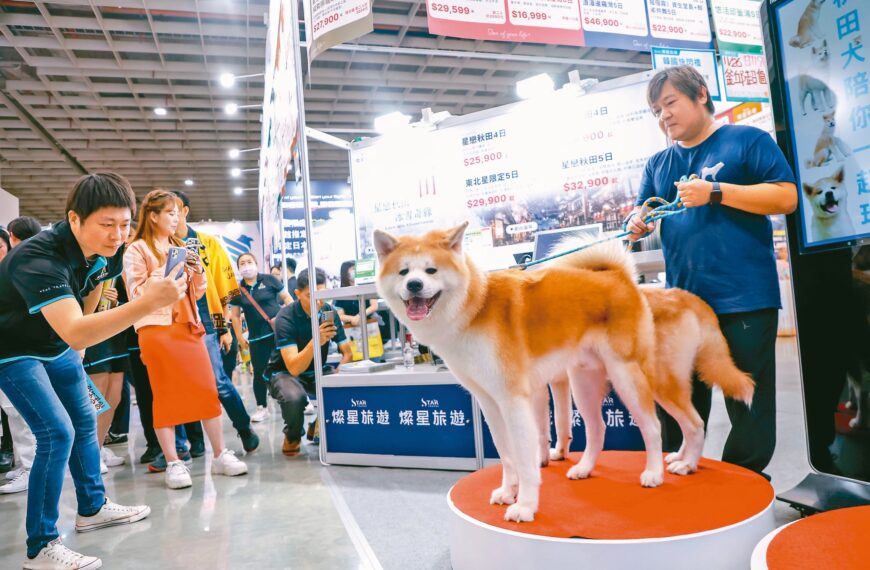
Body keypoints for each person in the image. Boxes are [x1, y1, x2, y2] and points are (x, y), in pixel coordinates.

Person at [0, 173, 184, 569]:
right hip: (12, 350)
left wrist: (82, 327)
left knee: (86, 417)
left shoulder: (110, 248)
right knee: (56, 431)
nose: (117, 234)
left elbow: (95, 286)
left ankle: (92, 507)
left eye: (123, 224)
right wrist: (146, 303)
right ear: (74, 219)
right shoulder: (38, 259)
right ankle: (41, 546)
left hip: (56, 344)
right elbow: (76, 331)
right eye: (106, 224)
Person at [627, 66, 798, 475]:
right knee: (676, 395)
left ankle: (744, 483)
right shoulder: (659, 163)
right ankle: (678, 475)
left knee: (747, 400)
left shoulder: (747, 141)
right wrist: (638, 219)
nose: (664, 116)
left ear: (701, 94)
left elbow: (787, 196)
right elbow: (644, 204)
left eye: (670, 103)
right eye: (655, 110)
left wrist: (716, 192)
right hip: (681, 304)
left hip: (745, 297)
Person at [124, 189, 248, 490]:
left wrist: (196, 274)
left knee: (206, 389)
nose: (176, 217)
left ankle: (220, 454)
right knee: (164, 394)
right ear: (153, 216)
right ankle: (174, 461)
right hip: (155, 329)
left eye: (178, 211)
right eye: (170, 212)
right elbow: (135, 293)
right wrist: (164, 273)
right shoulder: (136, 249)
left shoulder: (181, 245)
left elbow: (200, 291)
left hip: (189, 325)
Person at [166, 190, 258, 467]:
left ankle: (243, 429)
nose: (169, 217)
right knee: (180, 386)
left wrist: (225, 328)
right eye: (163, 212)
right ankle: (189, 445)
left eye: (174, 210)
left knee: (217, 381)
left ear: (185, 211)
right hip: (173, 325)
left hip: (206, 322)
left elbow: (226, 288)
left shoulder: (207, 243)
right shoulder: (160, 245)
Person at [264, 268, 353, 456]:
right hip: (285, 372)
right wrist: (316, 341)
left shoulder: (329, 312)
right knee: (294, 398)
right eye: (310, 296)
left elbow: (347, 353)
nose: (318, 302)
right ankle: (293, 435)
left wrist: (340, 374)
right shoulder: (285, 317)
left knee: (346, 389)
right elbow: (294, 367)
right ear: (297, 294)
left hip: (318, 369)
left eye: (322, 296)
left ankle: (317, 425)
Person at [230, 252, 293, 422]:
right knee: (259, 373)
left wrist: (292, 320)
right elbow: (235, 316)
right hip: (256, 338)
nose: (246, 265)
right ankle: (261, 407)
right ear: (239, 268)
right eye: (242, 263)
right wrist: (239, 337)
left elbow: (287, 298)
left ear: (256, 263)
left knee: (288, 365)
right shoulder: (237, 290)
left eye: (249, 261)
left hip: (278, 333)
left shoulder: (270, 280)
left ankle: (302, 400)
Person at [82, 278, 130, 473]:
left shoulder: (119, 263)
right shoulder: (90, 263)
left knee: (115, 396)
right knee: (96, 398)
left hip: (115, 332)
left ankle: (98, 447)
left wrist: (117, 300)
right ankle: (89, 453)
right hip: (93, 331)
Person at [335, 260, 378, 327]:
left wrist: (359, 316)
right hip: (351, 327)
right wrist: (353, 319)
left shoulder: (366, 285)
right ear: (345, 273)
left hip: (370, 324)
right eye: (354, 269)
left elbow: (374, 306)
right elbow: (340, 315)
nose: (356, 272)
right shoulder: (341, 292)